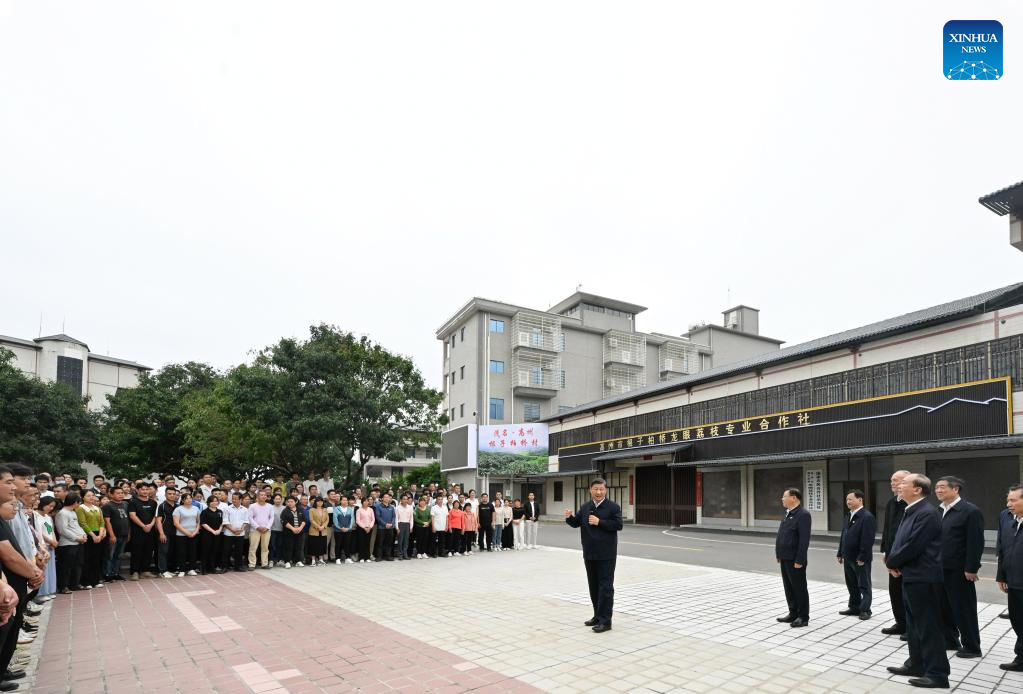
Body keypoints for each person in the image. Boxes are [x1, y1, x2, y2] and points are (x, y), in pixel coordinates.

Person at [885, 474, 950, 689]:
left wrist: (893, 562)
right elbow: (899, 541)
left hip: (924, 577)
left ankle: (938, 674)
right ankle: (916, 663)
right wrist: (895, 563)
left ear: (917, 489)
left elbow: (914, 545)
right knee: (913, 625)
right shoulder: (910, 510)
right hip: (911, 575)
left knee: (928, 626)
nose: (898, 486)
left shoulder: (927, 513)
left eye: (904, 483)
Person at [935, 476, 985, 658]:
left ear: (955, 489)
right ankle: (950, 639)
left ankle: (972, 646)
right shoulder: (938, 511)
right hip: (940, 568)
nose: (938, 491)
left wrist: (971, 568)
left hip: (960, 570)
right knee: (943, 606)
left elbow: (976, 542)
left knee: (963, 608)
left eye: (942, 487)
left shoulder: (970, 511)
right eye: (936, 488)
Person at [565, 479, 623, 633]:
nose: (599, 492)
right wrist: (569, 518)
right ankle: (597, 616)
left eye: (601, 489)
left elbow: (618, 525)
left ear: (605, 490)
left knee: (605, 588)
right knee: (593, 586)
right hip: (589, 553)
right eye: (596, 489)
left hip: (606, 554)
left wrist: (600, 522)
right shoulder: (585, 507)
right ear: (590, 490)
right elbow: (576, 523)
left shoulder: (613, 507)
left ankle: (606, 621)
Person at [836, 489, 877, 620]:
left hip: (860, 558)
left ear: (860, 500)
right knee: (851, 583)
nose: (848, 502)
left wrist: (862, 556)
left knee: (864, 584)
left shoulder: (867, 516)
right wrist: (840, 552)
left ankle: (865, 610)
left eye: (850, 499)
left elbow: (868, 539)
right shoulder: (848, 515)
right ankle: (854, 607)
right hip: (848, 556)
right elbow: (844, 535)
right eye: (847, 499)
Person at [996, 484, 1023, 672]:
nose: (1009, 504)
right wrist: (1001, 575)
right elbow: (1002, 550)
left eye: (1013, 500)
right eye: (1008, 500)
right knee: (1017, 620)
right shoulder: (1009, 519)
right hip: (1013, 580)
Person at [775, 488, 811, 628]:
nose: (782, 499)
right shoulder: (788, 514)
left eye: (784, 496)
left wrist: (800, 559)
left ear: (794, 498)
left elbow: (804, 540)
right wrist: (778, 553)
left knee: (799, 588)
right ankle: (793, 613)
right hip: (785, 557)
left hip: (795, 559)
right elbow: (781, 535)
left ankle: (803, 617)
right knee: (788, 587)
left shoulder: (803, 515)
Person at [881, 470, 911, 637]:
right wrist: (885, 550)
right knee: (895, 591)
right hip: (892, 555)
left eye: (896, 480)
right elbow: (887, 529)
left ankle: (910, 626)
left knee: (907, 592)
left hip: (905, 556)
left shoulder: (911, 504)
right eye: (891, 480)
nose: (892, 483)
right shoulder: (892, 503)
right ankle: (900, 622)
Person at [55, 492, 87, 593]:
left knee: (78, 564)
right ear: (74, 502)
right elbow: (62, 530)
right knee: (66, 566)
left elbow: (76, 526)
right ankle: (63, 586)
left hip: (78, 543)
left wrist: (83, 535)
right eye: (79, 502)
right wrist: (77, 538)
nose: (79, 505)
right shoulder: (62, 513)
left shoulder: (73, 512)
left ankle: (75, 584)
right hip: (67, 544)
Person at [75, 490, 106, 589]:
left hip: (99, 535)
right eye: (88, 496)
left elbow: (102, 522)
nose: (91, 497)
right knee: (87, 558)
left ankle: (95, 580)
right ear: (82, 497)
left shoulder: (97, 508)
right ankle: (86, 581)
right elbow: (82, 523)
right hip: (87, 534)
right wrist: (93, 535)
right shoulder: (80, 508)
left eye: (92, 495)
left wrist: (100, 534)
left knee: (96, 558)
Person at [127, 482, 158, 580]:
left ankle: (145, 571)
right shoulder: (133, 502)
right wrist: (143, 526)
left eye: (147, 489)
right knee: (137, 551)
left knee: (148, 551)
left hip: (150, 530)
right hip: (137, 531)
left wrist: (151, 525)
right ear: (137, 490)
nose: (145, 491)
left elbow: (155, 516)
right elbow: (132, 515)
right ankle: (135, 572)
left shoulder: (153, 502)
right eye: (143, 489)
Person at [101, 486, 131, 582]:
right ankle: (107, 574)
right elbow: (107, 522)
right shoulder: (107, 506)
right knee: (110, 555)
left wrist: (129, 533)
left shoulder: (126, 504)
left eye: (122, 493)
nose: (121, 494)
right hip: (114, 535)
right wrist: (112, 535)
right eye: (118, 493)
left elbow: (128, 520)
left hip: (124, 534)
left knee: (119, 555)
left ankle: (116, 573)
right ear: (111, 494)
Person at [34, 496, 59, 599]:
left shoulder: (48, 517)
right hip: (43, 546)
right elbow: (38, 532)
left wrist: (54, 540)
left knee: (50, 570)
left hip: (50, 546)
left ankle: (49, 590)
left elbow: (50, 530)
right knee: (43, 569)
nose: (51, 508)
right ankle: (41, 593)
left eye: (53, 506)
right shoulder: (35, 516)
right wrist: (50, 541)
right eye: (49, 506)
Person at [171, 493, 200, 576]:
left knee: (193, 552)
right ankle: (182, 570)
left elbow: (198, 522)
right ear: (183, 500)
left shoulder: (196, 508)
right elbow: (176, 523)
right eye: (187, 498)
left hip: (194, 534)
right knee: (181, 552)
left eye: (190, 498)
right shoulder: (178, 509)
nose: (189, 500)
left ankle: (192, 569)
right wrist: (186, 532)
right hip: (181, 534)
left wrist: (195, 531)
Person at [222, 493, 250, 572]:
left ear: (241, 500)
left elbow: (246, 521)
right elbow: (225, 521)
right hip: (229, 533)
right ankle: (225, 567)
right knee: (226, 550)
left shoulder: (245, 509)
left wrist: (241, 529)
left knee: (239, 551)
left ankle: (238, 566)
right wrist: (232, 530)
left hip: (240, 534)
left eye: (236, 499)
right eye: (233, 498)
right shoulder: (227, 508)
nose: (234, 500)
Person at [156, 487, 180, 578]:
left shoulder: (178, 506)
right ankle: (162, 571)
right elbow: (158, 521)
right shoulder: (162, 505)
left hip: (176, 532)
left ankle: (169, 570)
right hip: (165, 532)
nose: (172, 495)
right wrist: (161, 533)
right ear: (165, 495)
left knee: (171, 552)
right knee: (163, 552)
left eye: (174, 494)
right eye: (169, 494)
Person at [247, 491, 274, 570]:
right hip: (255, 530)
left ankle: (264, 563)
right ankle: (252, 564)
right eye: (261, 495)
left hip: (266, 530)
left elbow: (271, 518)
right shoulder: (252, 506)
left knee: (265, 547)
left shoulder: (270, 506)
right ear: (257, 497)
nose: (263, 496)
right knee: (253, 547)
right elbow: (250, 518)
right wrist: (257, 527)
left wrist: (267, 527)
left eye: (265, 495)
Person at [199, 496, 224, 574]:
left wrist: (219, 530)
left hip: (217, 534)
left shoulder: (220, 511)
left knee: (214, 551)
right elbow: (203, 523)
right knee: (206, 551)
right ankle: (203, 569)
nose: (215, 502)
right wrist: (212, 531)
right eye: (212, 501)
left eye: (216, 501)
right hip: (207, 534)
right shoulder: (204, 512)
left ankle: (212, 568)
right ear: (209, 502)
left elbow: (222, 522)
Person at [280, 497, 306, 568]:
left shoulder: (300, 510)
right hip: (288, 532)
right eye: (288, 502)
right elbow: (284, 521)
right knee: (288, 547)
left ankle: (298, 561)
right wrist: (293, 529)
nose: (290, 503)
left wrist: (300, 528)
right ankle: (287, 561)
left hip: (300, 532)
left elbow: (304, 520)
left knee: (299, 547)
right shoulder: (285, 511)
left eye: (291, 501)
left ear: (296, 502)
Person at [332, 495, 355, 564]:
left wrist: (348, 528)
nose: (345, 501)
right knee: (338, 544)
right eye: (343, 500)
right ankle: (337, 558)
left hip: (348, 530)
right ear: (340, 501)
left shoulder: (350, 509)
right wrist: (340, 527)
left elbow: (352, 519)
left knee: (347, 544)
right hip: (338, 530)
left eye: (346, 500)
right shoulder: (336, 509)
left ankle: (347, 558)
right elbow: (335, 519)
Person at [374, 492, 396, 561]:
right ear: (382, 498)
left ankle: (388, 556)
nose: (387, 498)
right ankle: (379, 556)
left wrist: (391, 524)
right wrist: (385, 524)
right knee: (380, 542)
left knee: (389, 542)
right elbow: (378, 517)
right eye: (385, 497)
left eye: (388, 497)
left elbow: (394, 517)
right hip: (381, 528)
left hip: (390, 528)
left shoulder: (391, 507)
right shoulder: (378, 507)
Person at [308, 497, 330, 566]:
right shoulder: (312, 510)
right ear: (315, 502)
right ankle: (313, 560)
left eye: (321, 501)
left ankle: (321, 559)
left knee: (322, 545)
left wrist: (323, 526)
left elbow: (327, 519)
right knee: (313, 545)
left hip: (323, 530)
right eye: (318, 501)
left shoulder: (325, 510)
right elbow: (311, 520)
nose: (320, 503)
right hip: (314, 530)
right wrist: (318, 527)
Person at [355, 497, 375, 563]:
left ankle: (367, 557)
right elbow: (358, 520)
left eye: (367, 501)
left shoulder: (371, 510)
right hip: (361, 529)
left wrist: (370, 527)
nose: (366, 502)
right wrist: (364, 528)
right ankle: (361, 557)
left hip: (369, 528)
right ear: (362, 502)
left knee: (367, 542)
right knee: (361, 543)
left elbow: (373, 519)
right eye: (364, 501)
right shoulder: (359, 510)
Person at [395, 494, 413, 560]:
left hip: (407, 524)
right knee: (400, 540)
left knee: (406, 541)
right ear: (401, 500)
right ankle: (400, 555)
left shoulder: (410, 507)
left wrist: (411, 527)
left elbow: (411, 518)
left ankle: (405, 554)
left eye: (406, 499)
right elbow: (396, 518)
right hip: (400, 524)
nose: (405, 500)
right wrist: (397, 528)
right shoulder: (397, 508)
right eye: (404, 499)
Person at [269, 493, 285, 566]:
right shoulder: (270, 507)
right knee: (272, 545)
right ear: (273, 500)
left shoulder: (285, 508)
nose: (278, 500)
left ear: (281, 500)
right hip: (273, 529)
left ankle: (279, 560)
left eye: (279, 499)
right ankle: (271, 560)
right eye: (276, 499)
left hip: (282, 530)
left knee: (280, 545)